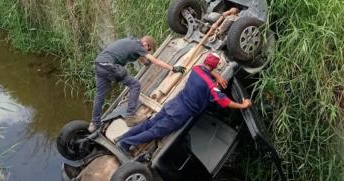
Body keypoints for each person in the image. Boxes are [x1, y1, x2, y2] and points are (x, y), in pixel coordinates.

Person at [116, 53, 251, 152]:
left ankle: (122, 138)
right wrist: (242, 105)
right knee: (155, 131)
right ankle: (125, 143)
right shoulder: (211, 86)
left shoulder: (196, 69)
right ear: (214, 66)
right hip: (180, 113)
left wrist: (217, 75)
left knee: (149, 124)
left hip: (173, 103)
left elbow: (208, 70)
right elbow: (225, 102)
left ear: (205, 61)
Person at [91, 36, 185, 132]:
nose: (147, 52)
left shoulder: (132, 41)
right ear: (146, 44)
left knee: (99, 97)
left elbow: (140, 55)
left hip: (99, 64)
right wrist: (173, 68)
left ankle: (94, 124)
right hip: (110, 66)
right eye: (148, 50)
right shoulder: (139, 47)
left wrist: (145, 62)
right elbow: (156, 61)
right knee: (135, 85)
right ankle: (130, 117)